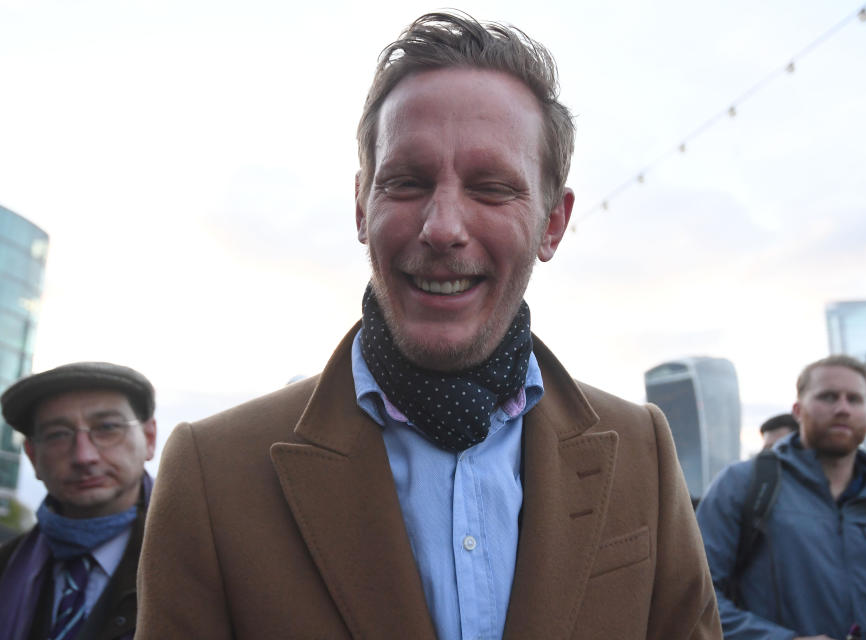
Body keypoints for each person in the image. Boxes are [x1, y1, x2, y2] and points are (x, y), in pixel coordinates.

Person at [136, 11, 721, 640]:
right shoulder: (212, 473)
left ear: (554, 222)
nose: (442, 227)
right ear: (362, 208)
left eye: (492, 188)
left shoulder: (643, 452)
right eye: (407, 182)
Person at [696, 354, 866, 640]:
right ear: (798, 410)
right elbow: (697, 596)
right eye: (828, 397)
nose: (842, 408)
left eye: (854, 399)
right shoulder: (743, 484)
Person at [0, 362, 157, 640]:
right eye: (58, 434)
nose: (84, 456)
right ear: (33, 456)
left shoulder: (199, 560)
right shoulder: (5, 567)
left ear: (149, 438)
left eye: (107, 427)